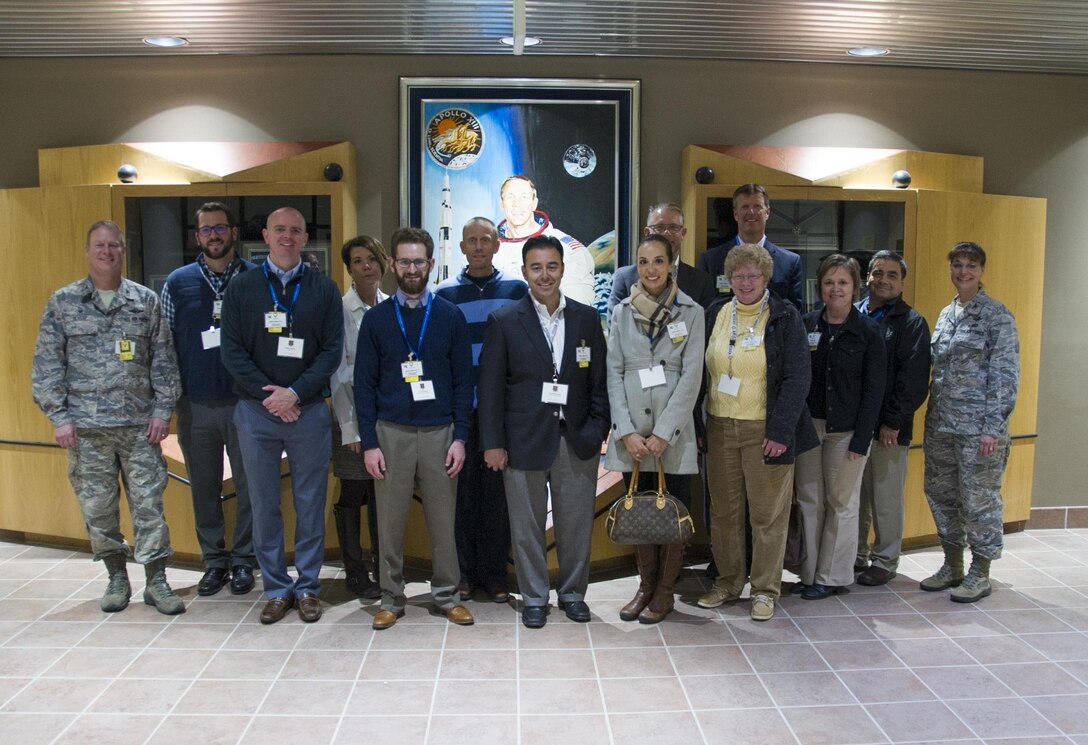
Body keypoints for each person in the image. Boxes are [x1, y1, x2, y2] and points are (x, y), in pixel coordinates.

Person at [32, 220, 185, 615]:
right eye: (99, 245)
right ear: (88, 251)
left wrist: (162, 410)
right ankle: (117, 576)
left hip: (140, 427)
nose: (106, 252)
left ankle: (156, 581)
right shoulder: (64, 303)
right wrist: (59, 417)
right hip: (86, 429)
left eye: (113, 245)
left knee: (149, 504)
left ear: (123, 251)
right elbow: (47, 366)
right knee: (98, 507)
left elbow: (164, 361)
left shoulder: (144, 301)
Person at [478, 234, 610, 629]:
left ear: (562, 270)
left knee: (574, 525)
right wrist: (493, 444)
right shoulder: (503, 321)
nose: (544, 275)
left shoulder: (587, 318)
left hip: (576, 439)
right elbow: (490, 390)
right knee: (527, 526)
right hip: (522, 441)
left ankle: (572, 593)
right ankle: (534, 596)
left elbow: (599, 384)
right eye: (536, 267)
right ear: (524, 272)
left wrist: (597, 427)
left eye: (552, 266)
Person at [220, 207, 343, 625]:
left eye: (295, 230)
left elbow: (331, 351)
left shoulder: (324, 289)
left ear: (305, 237)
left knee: (310, 502)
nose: (287, 237)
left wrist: (294, 393)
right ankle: (275, 588)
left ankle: (307, 586)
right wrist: (270, 396)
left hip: (307, 412)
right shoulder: (242, 288)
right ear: (265, 235)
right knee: (262, 503)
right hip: (256, 414)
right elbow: (231, 351)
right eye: (279, 230)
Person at [355, 227, 476, 630]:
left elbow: (464, 382)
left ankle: (446, 595)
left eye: (418, 261)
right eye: (404, 261)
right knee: (390, 522)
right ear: (392, 264)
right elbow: (363, 386)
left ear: (430, 264)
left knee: (444, 521)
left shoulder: (449, 316)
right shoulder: (375, 320)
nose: (411, 268)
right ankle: (391, 595)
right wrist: (370, 444)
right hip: (391, 433)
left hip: (441, 432)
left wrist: (460, 437)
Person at [695, 244, 815, 621]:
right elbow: (702, 373)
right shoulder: (716, 312)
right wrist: (698, 425)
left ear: (766, 278)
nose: (746, 282)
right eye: (739, 275)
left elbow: (798, 378)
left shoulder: (785, 316)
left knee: (767, 515)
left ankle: (765, 589)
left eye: (753, 275)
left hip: (766, 429)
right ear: (729, 279)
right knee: (725, 512)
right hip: (720, 426)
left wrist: (780, 431)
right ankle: (729, 582)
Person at [604, 234, 704, 624]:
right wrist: (627, 431)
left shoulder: (691, 312)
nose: (651, 270)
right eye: (644, 262)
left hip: (671, 438)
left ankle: (666, 591)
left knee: (671, 513)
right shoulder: (621, 312)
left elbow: (692, 377)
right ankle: (645, 586)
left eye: (658, 261)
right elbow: (613, 374)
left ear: (670, 264)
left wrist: (664, 433)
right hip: (634, 438)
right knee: (640, 512)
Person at [161, 202, 256, 597]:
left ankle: (245, 561)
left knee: (251, 486)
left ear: (233, 232)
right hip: (195, 405)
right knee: (204, 487)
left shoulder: (255, 279)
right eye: (206, 230)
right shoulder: (177, 283)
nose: (213, 236)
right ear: (196, 236)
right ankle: (214, 562)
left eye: (220, 228)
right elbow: (163, 347)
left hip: (245, 404)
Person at [436, 217, 528, 603]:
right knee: (461, 498)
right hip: (460, 412)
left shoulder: (516, 289)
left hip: (500, 413)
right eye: (471, 240)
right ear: (461, 247)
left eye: (485, 240)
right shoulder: (443, 294)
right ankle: (464, 573)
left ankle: (494, 575)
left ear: (496, 245)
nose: (477, 246)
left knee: (497, 497)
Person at [921, 241, 1019, 603]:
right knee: (942, 495)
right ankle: (952, 564)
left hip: (979, 432)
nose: (963, 271)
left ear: (981, 271)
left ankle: (981, 571)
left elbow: (1005, 376)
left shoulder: (997, 316)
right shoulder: (947, 315)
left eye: (971, 266)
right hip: (942, 426)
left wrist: (993, 427)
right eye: (957, 264)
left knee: (979, 501)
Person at [794, 254, 885, 599]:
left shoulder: (869, 332)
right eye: (829, 282)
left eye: (843, 283)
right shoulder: (807, 325)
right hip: (808, 428)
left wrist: (862, 440)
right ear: (820, 286)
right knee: (809, 500)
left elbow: (875, 390)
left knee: (841, 502)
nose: (836, 289)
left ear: (855, 287)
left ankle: (832, 577)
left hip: (847, 432)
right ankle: (809, 572)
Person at [854, 251, 932, 586]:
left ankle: (885, 560)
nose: (883, 280)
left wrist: (893, 421)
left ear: (902, 282)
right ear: (867, 277)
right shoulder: (854, 313)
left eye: (891, 275)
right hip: (854, 425)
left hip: (887, 428)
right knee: (855, 497)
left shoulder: (911, 322)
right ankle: (855, 554)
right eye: (877, 273)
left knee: (885, 497)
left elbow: (913, 380)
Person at [329, 235, 389, 600]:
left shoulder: (389, 306)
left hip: (386, 421)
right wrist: (351, 428)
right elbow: (338, 374)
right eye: (357, 261)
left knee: (381, 494)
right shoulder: (340, 310)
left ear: (383, 263)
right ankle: (355, 572)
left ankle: (384, 568)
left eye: (371, 259)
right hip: (350, 419)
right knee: (353, 492)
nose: (366, 266)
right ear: (349, 269)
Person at [697, 184, 804, 310]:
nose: (751, 212)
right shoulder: (710, 260)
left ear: (767, 213)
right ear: (736, 214)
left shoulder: (790, 262)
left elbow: (795, 313)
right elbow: (704, 310)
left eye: (757, 206)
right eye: (745, 207)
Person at [494, 175, 596, 306]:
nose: (516, 204)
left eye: (524, 197)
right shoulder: (490, 253)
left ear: (534, 203)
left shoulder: (568, 249)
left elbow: (577, 308)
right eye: (510, 197)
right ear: (502, 204)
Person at [608, 202, 716, 311]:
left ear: (683, 233)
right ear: (647, 232)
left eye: (673, 227)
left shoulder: (702, 281)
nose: (667, 233)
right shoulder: (625, 278)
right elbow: (615, 323)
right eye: (659, 227)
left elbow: (707, 325)